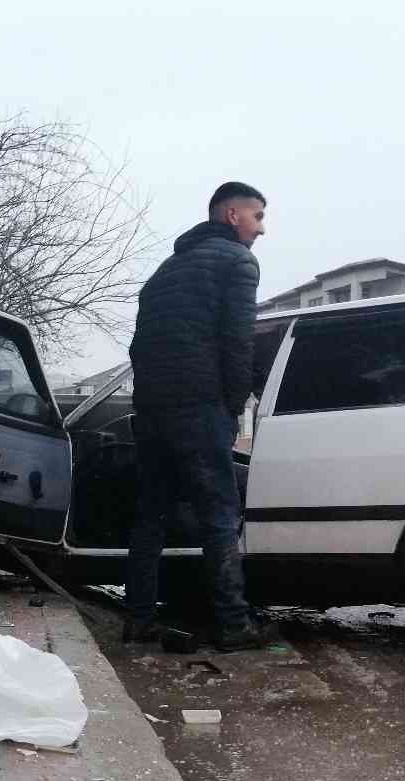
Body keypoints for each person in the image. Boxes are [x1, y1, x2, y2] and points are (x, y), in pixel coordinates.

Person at [124, 181, 278, 650]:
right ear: (233, 215)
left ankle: (138, 620)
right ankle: (234, 624)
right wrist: (232, 407)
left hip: (152, 412)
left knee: (150, 518)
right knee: (220, 515)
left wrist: (150, 401)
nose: (261, 229)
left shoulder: (164, 272)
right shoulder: (238, 262)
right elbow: (238, 342)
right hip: (200, 408)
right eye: (257, 217)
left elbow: (138, 346)